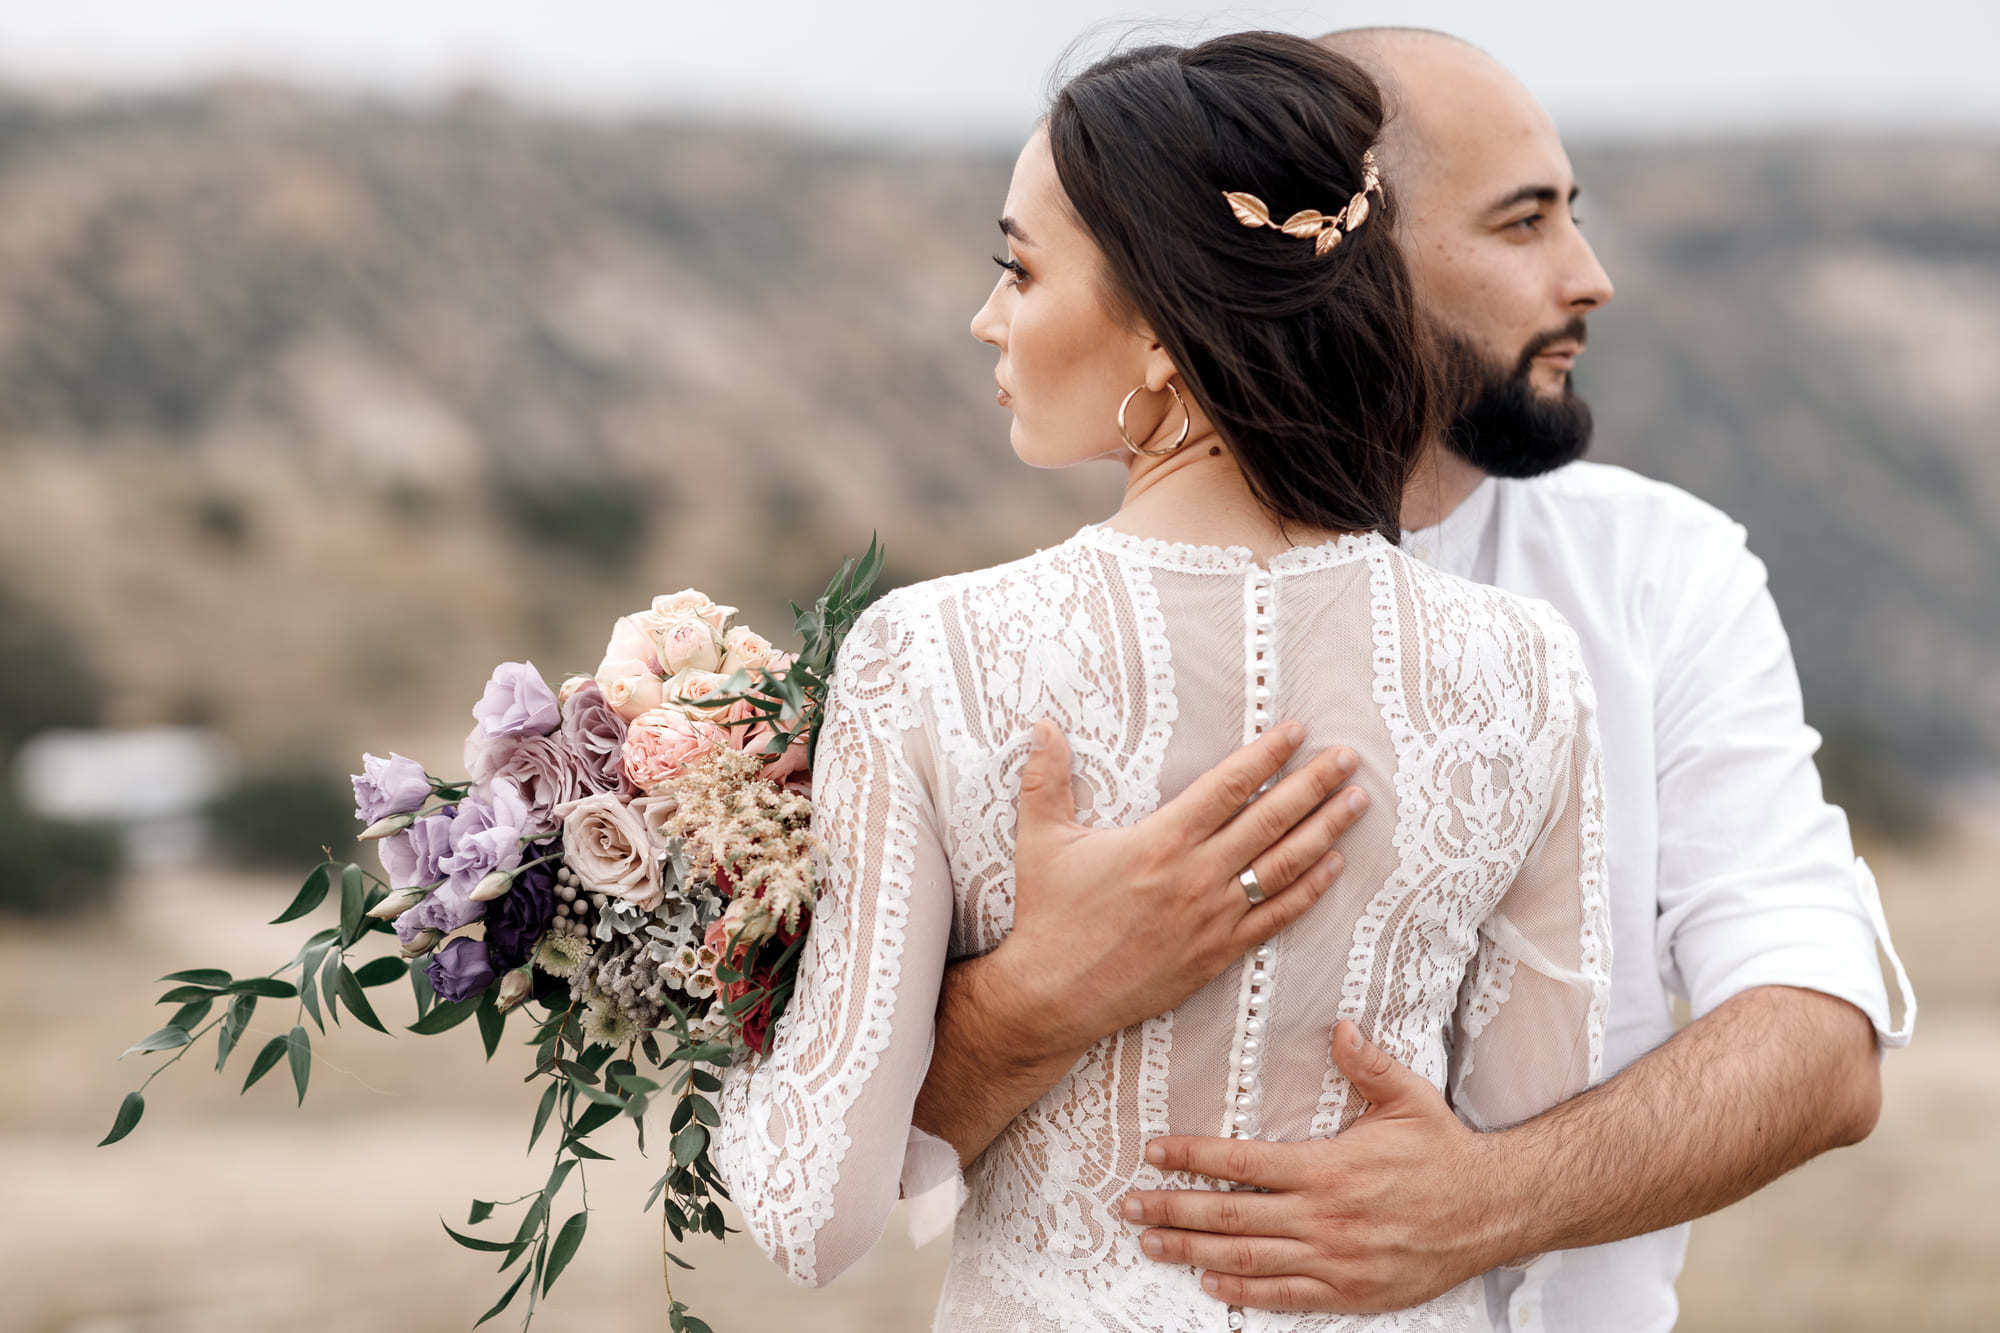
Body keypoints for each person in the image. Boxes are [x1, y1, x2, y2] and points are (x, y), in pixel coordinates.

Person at [904, 27, 1917, 1333]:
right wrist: (1047, 989)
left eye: (1575, 215)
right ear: (1346, 256)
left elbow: (1822, 1038)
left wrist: (1487, 1201)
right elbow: (864, 1164)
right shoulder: (1025, 648)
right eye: (1524, 223)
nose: (1590, 277)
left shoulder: (1664, 576)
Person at [713, 31, 1613, 1332]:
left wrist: (713, 988)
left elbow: (812, 1216)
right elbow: (1537, 1142)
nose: (989, 316)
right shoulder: (1524, 670)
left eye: (1019, 269)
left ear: (1158, 328)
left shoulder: (936, 657)